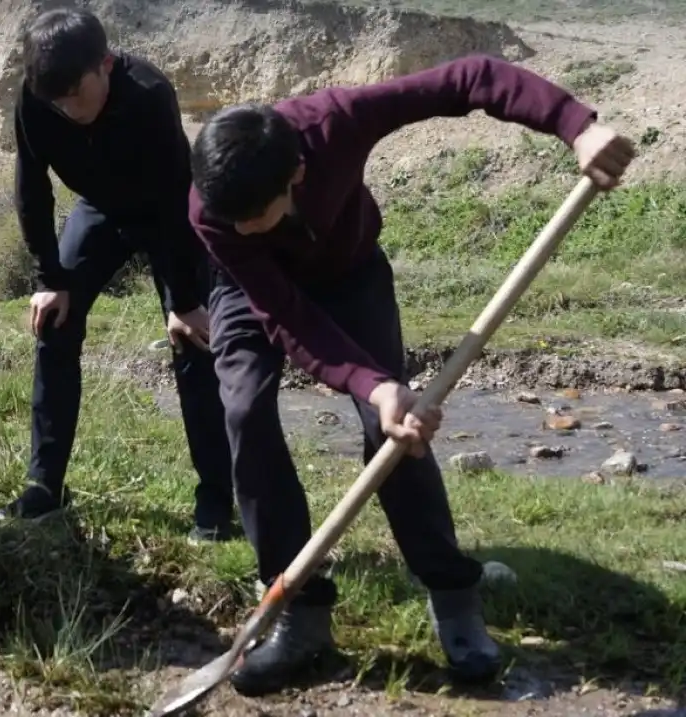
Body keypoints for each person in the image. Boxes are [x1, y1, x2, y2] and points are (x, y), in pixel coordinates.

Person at [187, 54, 635, 694]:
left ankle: (454, 598)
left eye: (253, 216)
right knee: (244, 411)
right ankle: (300, 613)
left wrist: (576, 125)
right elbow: (286, 316)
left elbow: (470, 77)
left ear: (296, 176)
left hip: (348, 274)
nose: (238, 226)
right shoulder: (214, 211)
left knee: (393, 429)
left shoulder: (337, 122)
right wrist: (370, 378)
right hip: (252, 291)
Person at [0, 7, 235, 542]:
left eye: (78, 94)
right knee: (54, 324)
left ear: (105, 63)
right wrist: (48, 276)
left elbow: (174, 196)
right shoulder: (38, 98)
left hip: (168, 212)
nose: (69, 111)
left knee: (193, 338)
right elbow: (31, 187)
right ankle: (44, 488)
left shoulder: (148, 92)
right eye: (57, 101)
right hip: (99, 209)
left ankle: (216, 502)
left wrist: (181, 296)